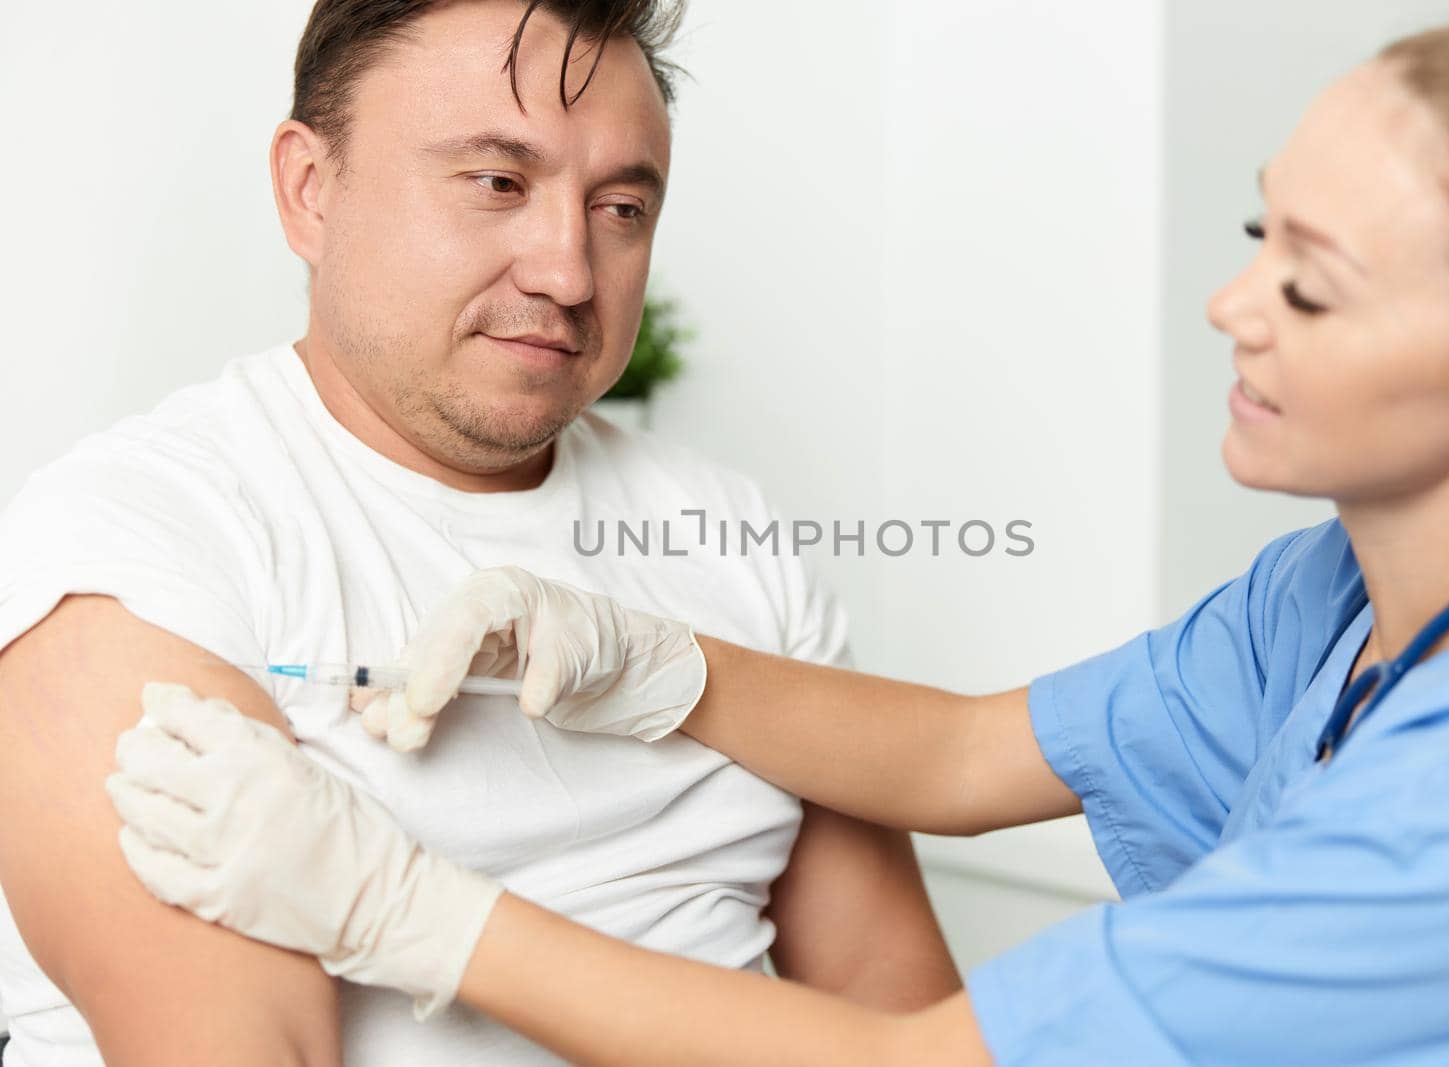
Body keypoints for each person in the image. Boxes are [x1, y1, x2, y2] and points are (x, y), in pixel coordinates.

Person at [105, 10, 1449, 1065]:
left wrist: (402, 907)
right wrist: (667, 667)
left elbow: (925, 1055)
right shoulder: (1338, 593)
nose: (1232, 306)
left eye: (1315, 287)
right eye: (1255, 239)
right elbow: (963, 756)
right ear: (309, 188)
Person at [0, 2, 962, 1065]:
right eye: (497, 183)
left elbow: (907, 1026)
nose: (568, 271)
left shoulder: (726, 529)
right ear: (309, 191)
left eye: (622, 206)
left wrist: (419, 911)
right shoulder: (140, 540)